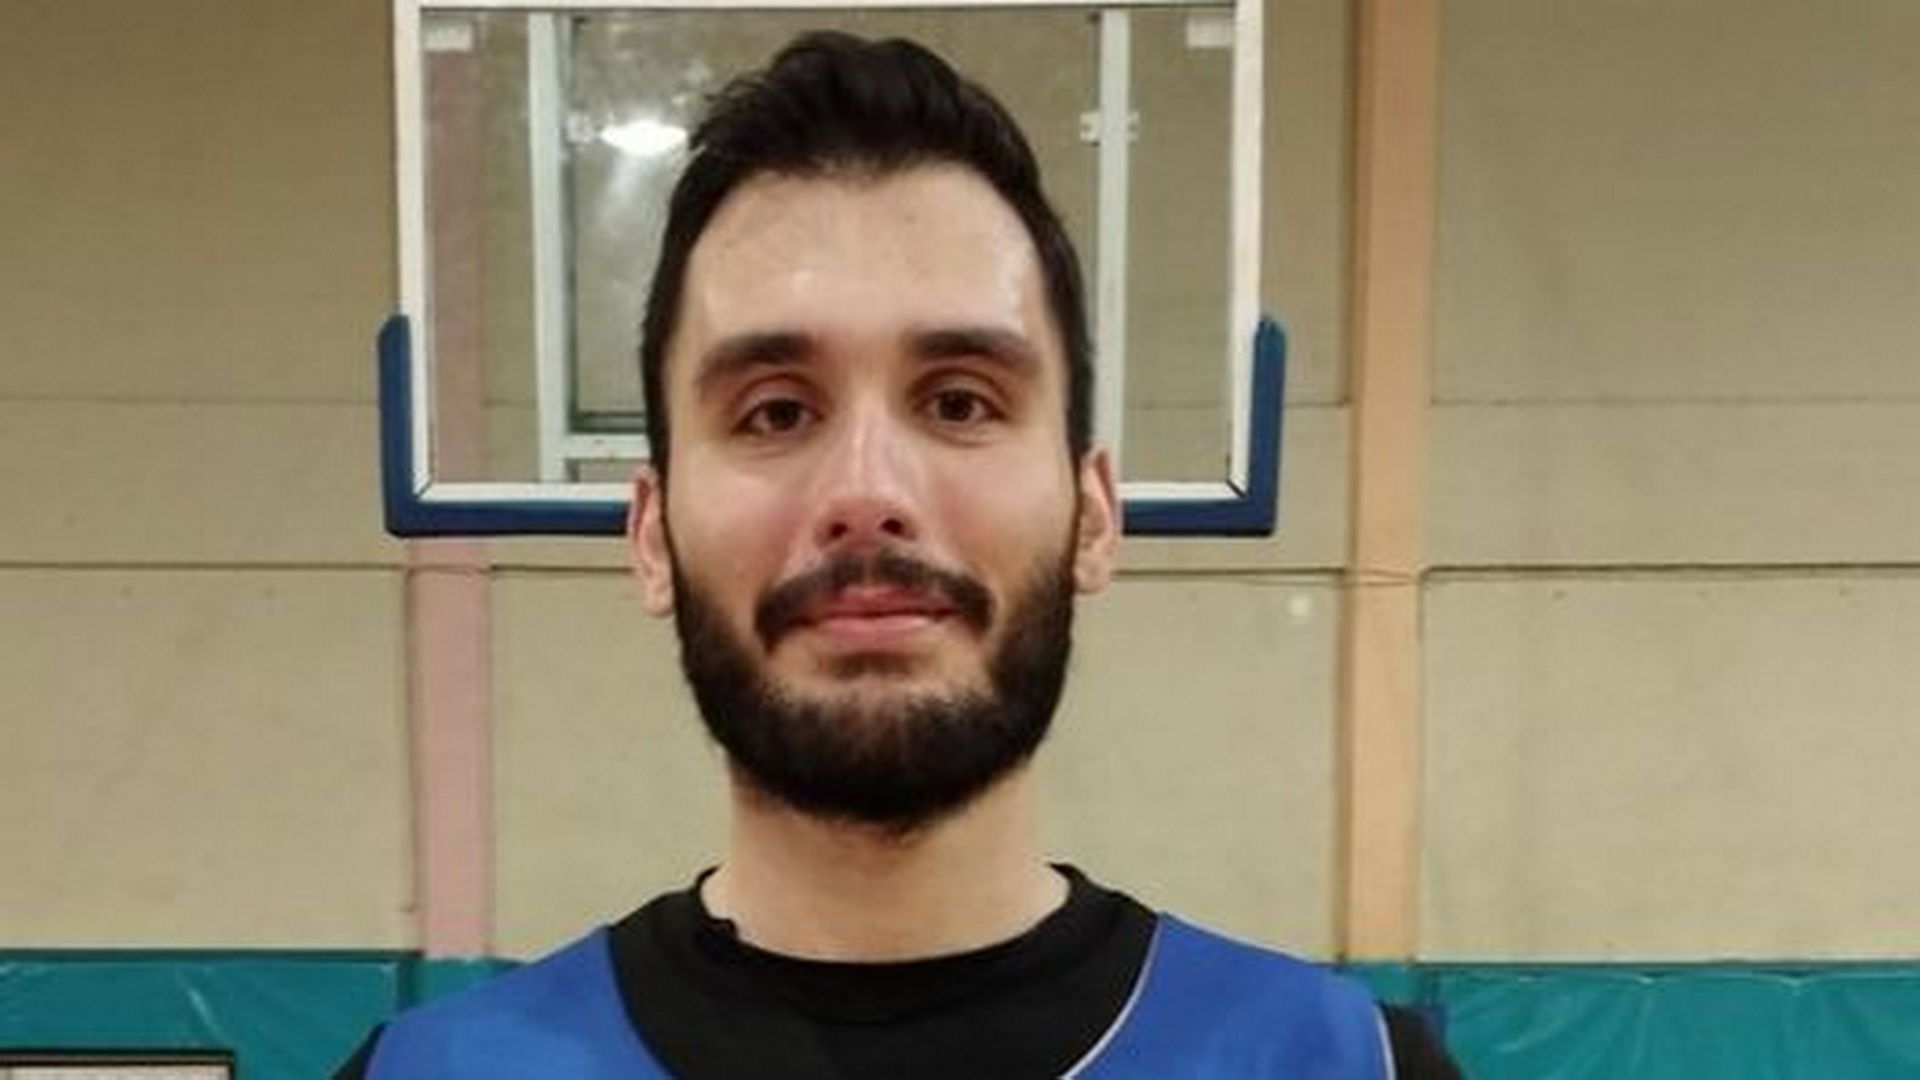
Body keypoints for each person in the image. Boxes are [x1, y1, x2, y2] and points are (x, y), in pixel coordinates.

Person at [337, 31, 1461, 1079]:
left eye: (960, 401)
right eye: (776, 412)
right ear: (651, 532)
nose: (867, 493)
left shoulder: (1342, 1062)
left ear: (1093, 516)